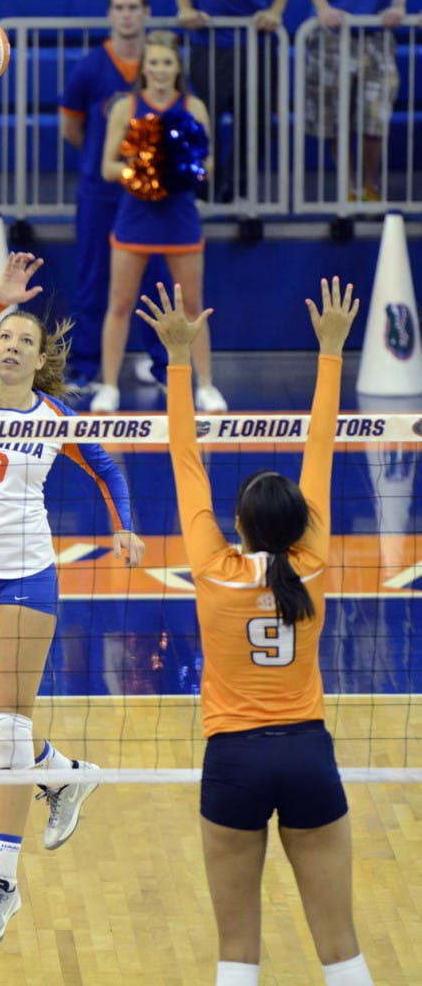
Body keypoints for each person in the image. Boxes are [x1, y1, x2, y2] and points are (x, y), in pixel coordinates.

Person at [138, 277, 371, 986]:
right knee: (342, 950)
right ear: (301, 523)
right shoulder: (314, 564)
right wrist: (330, 350)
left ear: (236, 527)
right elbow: (320, 444)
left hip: (232, 762)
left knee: (236, 955)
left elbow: (184, 458)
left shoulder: (212, 567)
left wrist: (178, 360)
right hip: (306, 754)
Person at [0, 251, 146, 947]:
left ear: (37, 359)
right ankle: (64, 774)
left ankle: (2, 882)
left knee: (6, 727)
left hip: (28, 575)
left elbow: (108, 466)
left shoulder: (56, 417)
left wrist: (122, 525)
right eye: (4, 336)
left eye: (25, 339)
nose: (13, 345)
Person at [90, 30, 227, 415]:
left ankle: (206, 385)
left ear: (178, 67)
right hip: (135, 217)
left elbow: (209, 162)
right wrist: (142, 173)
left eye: (168, 62)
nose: (160, 69)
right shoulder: (126, 106)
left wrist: (183, 172)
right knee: (120, 303)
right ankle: (109, 386)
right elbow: (107, 167)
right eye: (154, 62)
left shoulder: (193, 107)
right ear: (144, 67)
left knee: (193, 305)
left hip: (180, 218)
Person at [59, 0, 151, 392]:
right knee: (94, 278)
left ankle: (161, 362)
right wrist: (107, 163)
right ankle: (85, 366)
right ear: (110, 14)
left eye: (134, 7)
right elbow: (70, 129)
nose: (127, 15)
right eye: (120, 8)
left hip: (151, 197)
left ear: (146, 13)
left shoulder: (160, 65)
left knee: (156, 280)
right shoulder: (90, 67)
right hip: (100, 193)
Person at [172, 0, 293, 203]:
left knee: (256, 124)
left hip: (258, 43)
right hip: (209, 43)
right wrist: (184, 7)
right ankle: (205, 190)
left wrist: (276, 10)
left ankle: (240, 190)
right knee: (203, 121)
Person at [304, 0, 406, 202]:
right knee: (333, 119)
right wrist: (322, 8)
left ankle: (370, 186)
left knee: (375, 118)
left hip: (376, 31)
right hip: (329, 31)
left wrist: (398, 5)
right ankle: (348, 189)